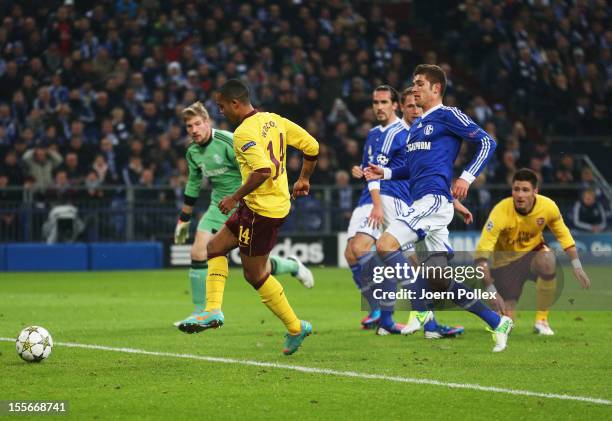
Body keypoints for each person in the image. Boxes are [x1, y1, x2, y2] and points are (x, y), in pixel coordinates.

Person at [365, 64, 511, 352]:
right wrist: (386, 173)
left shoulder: (448, 115)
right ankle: (496, 321)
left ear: (436, 88)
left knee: (385, 245)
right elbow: (413, 167)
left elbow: (487, 142)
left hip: (431, 201)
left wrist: (467, 177)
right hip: (430, 201)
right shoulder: (417, 125)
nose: (415, 88)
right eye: (413, 82)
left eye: (420, 83)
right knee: (439, 279)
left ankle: (420, 307)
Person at [180, 81, 319, 355]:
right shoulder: (273, 120)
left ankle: (295, 326)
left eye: (221, 107)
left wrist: (233, 197)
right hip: (259, 205)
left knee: (255, 275)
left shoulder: (243, 133)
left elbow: (263, 170)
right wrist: (303, 178)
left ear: (235, 103)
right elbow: (312, 146)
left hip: (262, 211)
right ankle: (212, 311)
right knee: (214, 248)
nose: (220, 112)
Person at [474, 169, 591, 335]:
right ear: (512, 190)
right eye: (516, 189)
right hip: (505, 264)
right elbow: (481, 256)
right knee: (507, 324)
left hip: (533, 254)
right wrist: (491, 290)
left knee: (548, 259)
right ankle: (499, 314)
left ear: (535, 191)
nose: (520, 195)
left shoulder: (547, 206)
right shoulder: (500, 212)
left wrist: (577, 266)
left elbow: (564, 236)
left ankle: (541, 321)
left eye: (525, 190)